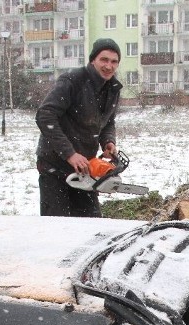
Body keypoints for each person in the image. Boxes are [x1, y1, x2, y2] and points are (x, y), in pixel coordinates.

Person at [34, 38, 123, 217]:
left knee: (90, 221)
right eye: (104, 60)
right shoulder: (73, 81)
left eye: (114, 61)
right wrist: (70, 154)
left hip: (84, 169)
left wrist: (108, 141)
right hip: (55, 166)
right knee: (58, 225)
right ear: (93, 60)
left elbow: (107, 122)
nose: (109, 66)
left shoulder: (112, 88)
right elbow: (45, 115)